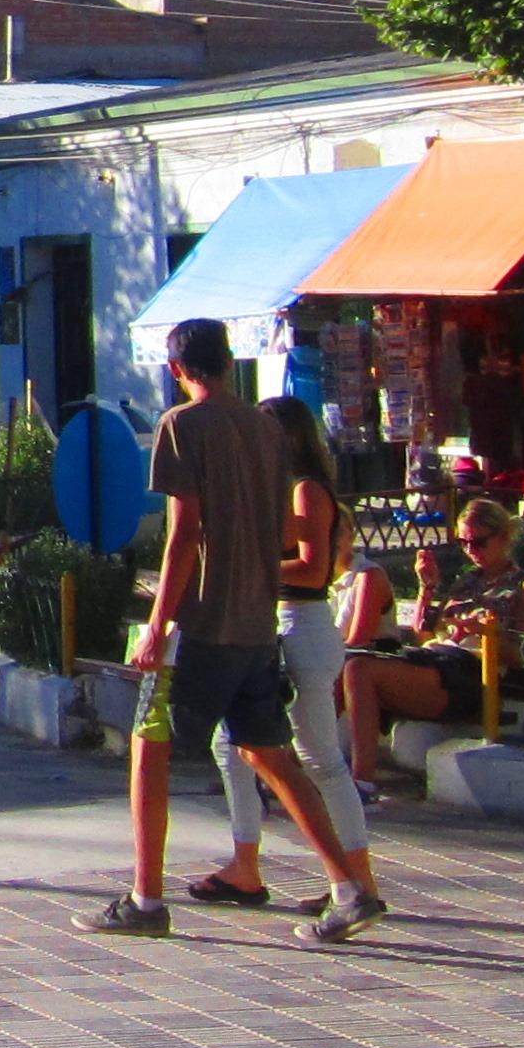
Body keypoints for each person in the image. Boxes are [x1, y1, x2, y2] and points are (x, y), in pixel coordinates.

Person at [81, 320, 380, 945]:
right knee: (269, 752)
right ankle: (350, 887)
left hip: (205, 620)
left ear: (177, 368)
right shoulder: (267, 429)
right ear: (228, 361)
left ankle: (145, 898)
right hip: (256, 620)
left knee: (148, 747)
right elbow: (277, 526)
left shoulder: (180, 427)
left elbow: (184, 535)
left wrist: (158, 623)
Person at [188, 391, 390, 923]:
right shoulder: (278, 489)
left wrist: (250, 571)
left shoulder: (305, 490)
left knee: (319, 758)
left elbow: (315, 568)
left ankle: (356, 879)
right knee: (232, 745)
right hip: (279, 623)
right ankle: (246, 865)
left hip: (303, 625)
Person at [339, 497, 524, 787]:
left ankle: (361, 782)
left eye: (478, 543)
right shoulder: (466, 582)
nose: (470, 551)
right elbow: (424, 633)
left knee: (358, 668)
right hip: (437, 659)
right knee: (344, 664)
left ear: (503, 537)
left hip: (472, 673)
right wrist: (427, 588)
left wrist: (485, 633)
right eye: (463, 543)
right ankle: (316, 767)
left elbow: (520, 653)